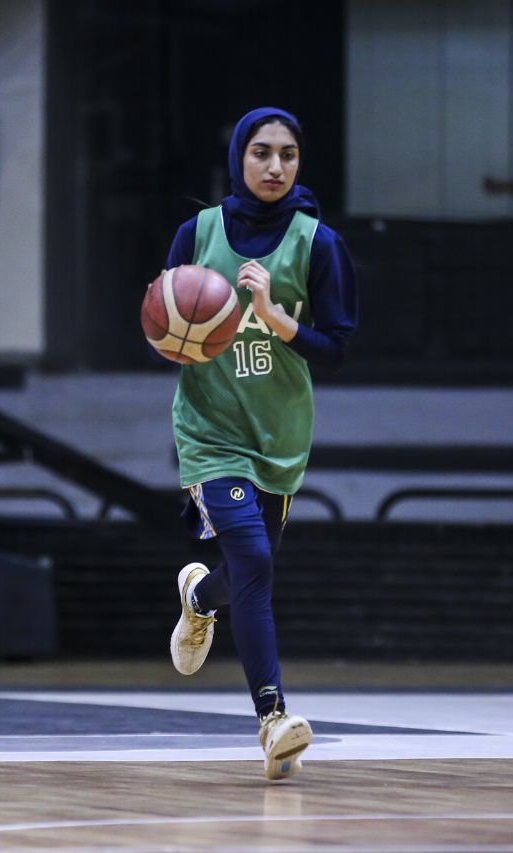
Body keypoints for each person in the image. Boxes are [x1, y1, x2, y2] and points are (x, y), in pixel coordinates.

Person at [159, 106, 358, 781]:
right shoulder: (197, 233)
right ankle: (273, 719)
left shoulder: (318, 244)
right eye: (262, 152)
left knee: (249, 569)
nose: (276, 166)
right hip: (211, 431)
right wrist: (178, 332)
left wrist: (273, 316)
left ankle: (199, 600)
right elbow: (163, 333)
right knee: (253, 559)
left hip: (279, 437)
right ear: (238, 157)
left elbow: (336, 350)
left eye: (288, 154)